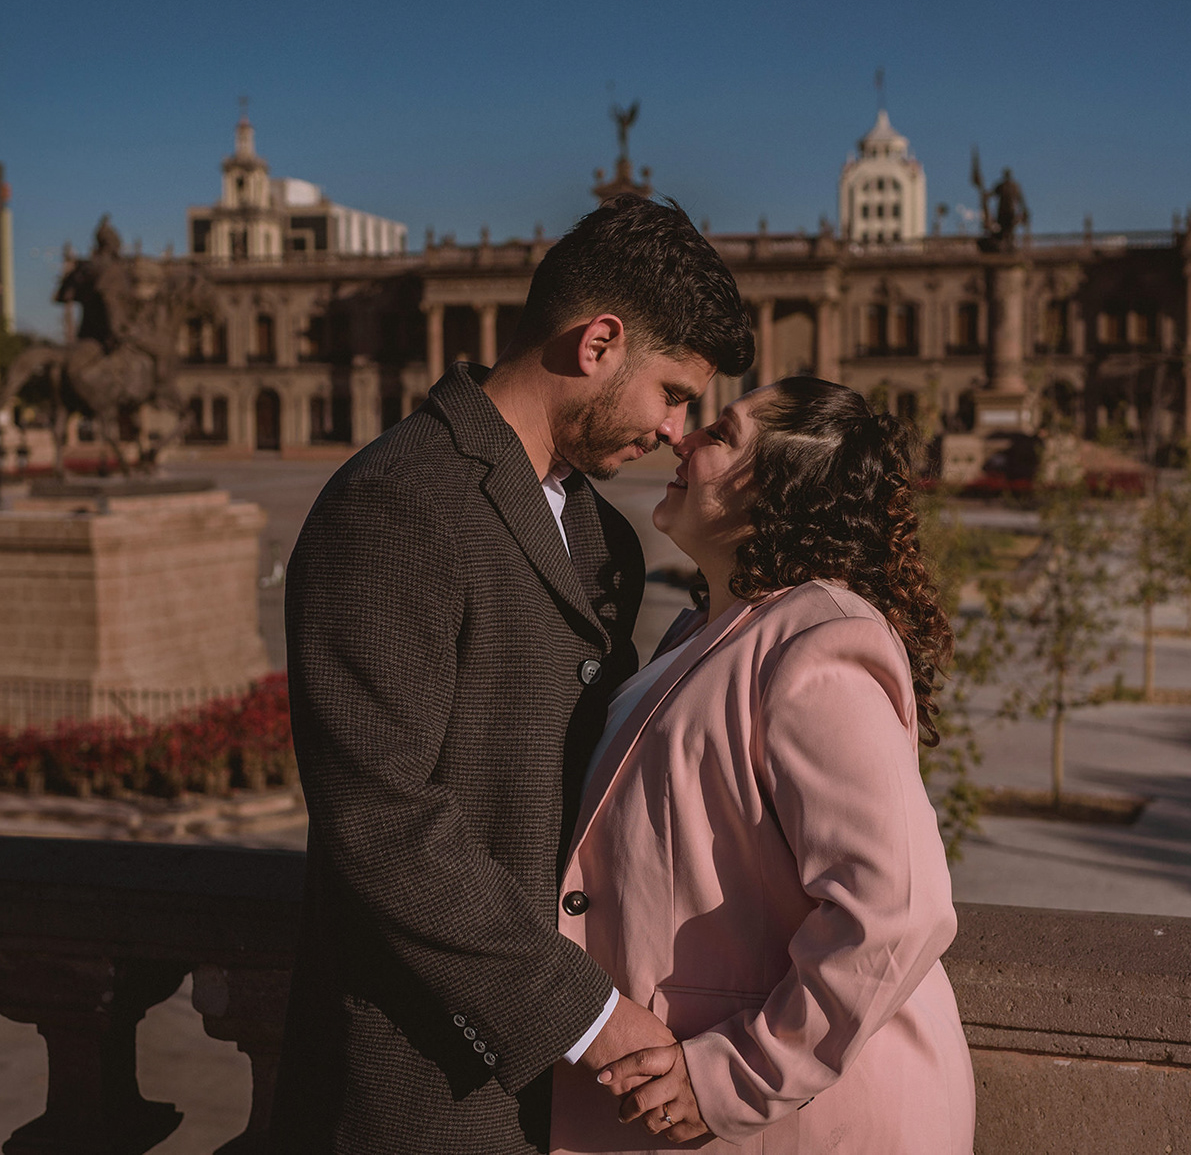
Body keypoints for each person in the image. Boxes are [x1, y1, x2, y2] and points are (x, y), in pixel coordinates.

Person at [271, 196, 756, 1153]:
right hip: (422, 1085)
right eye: (671, 392)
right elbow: (381, 820)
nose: (676, 430)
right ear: (599, 343)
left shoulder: (602, 534)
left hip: (561, 1092)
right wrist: (584, 1014)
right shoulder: (394, 503)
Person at [552, 377, 975, 1153]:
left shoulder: (819, 643)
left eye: (721, 433)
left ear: (781, 486)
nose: (682, 437)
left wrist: (737, 1077)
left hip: (814, 1122)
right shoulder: (707, 631)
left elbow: (899, 906)